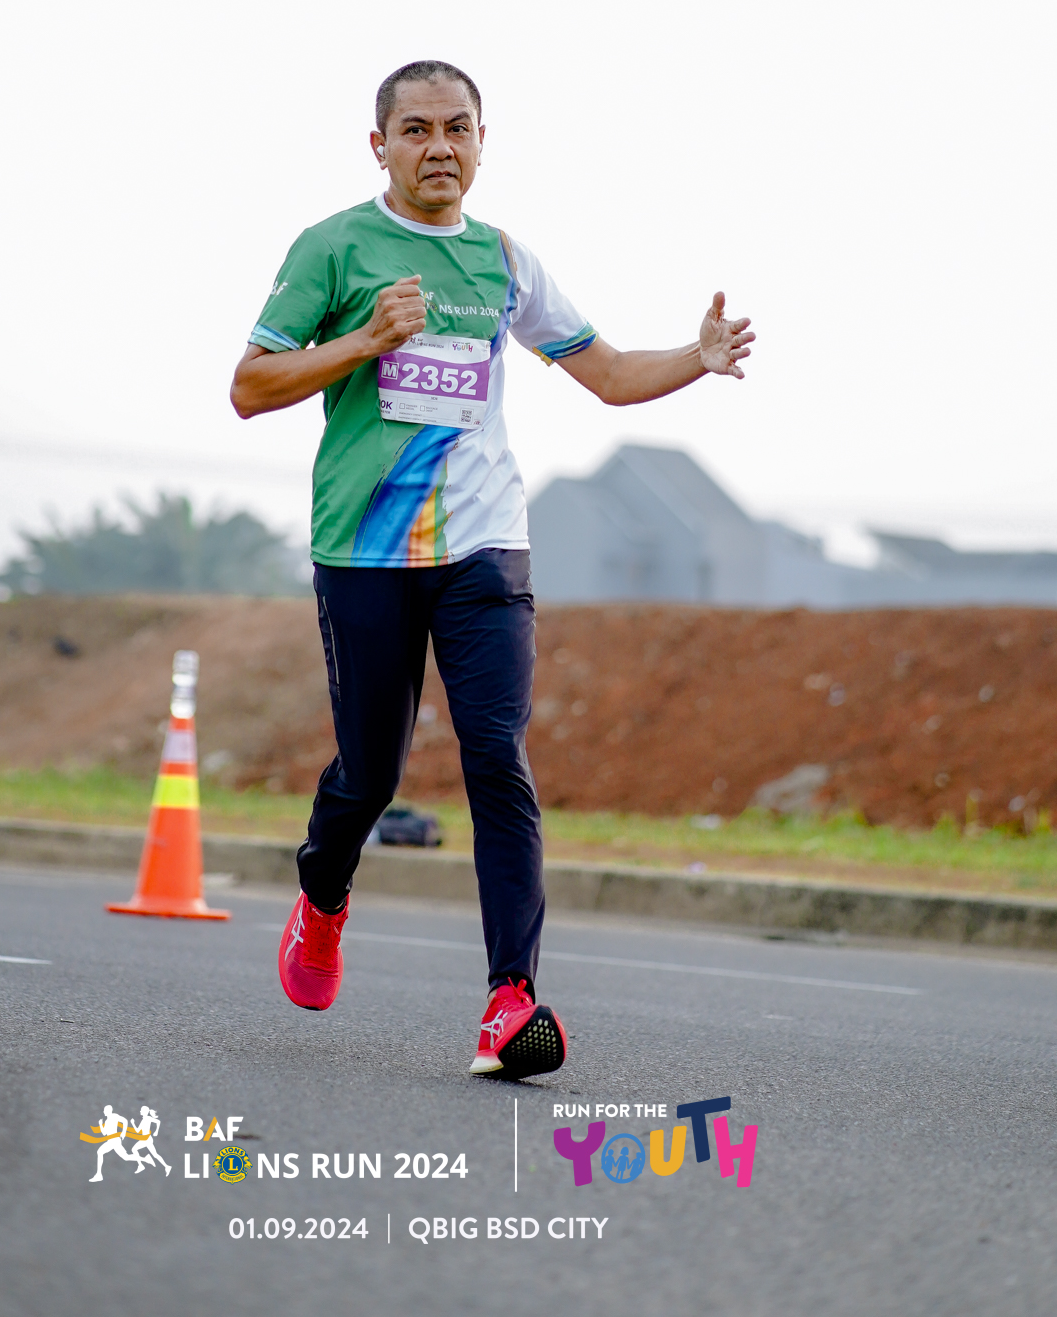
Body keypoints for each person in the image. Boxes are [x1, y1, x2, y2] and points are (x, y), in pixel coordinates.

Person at [230, 60, 754, 1077]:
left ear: (481, 142)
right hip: (366, 549)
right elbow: (250, 386)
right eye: (416, 129)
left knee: (496, 758)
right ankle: (323, 898)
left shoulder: (503, 261)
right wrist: (364, 340)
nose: (439, 147)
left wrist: (694, 358)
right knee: (370, 774)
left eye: (457, 128)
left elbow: (607, 375)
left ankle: (509, 1002)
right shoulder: (333, 247)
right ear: (379, 145)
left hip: (485, 547)